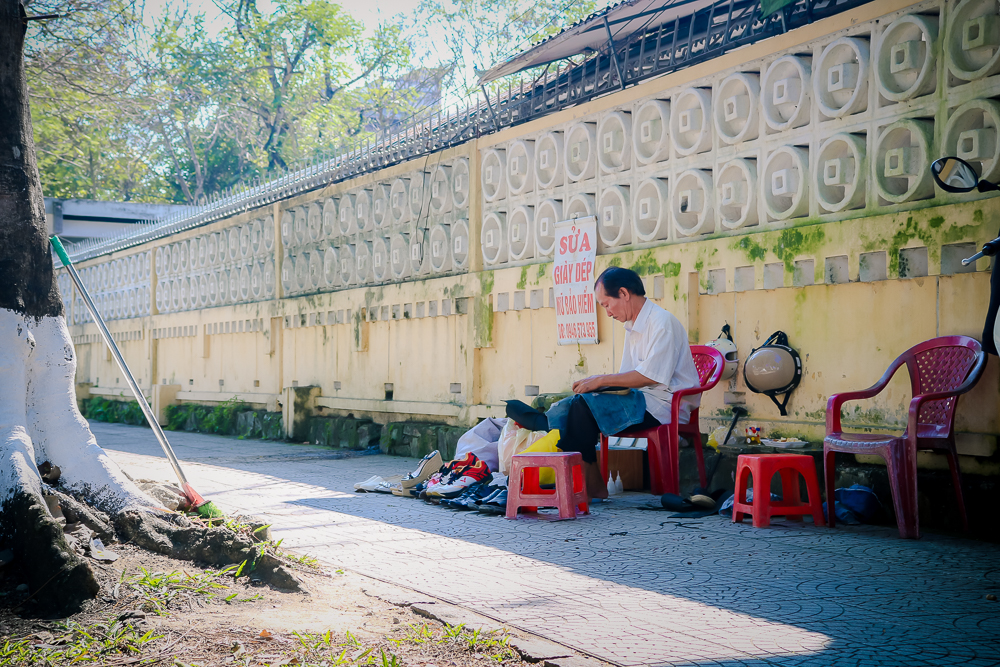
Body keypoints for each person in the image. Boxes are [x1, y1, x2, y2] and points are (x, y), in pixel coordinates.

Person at [557, 266, 701, 500]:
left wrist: (601, 380)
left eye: (606, 304)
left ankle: (589, 487)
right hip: (642, 400)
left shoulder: (662, 322)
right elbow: (628, 378)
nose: (607, 312)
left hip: (665, 407)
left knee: (583, 408)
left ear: (623, 293)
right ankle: (587, 484)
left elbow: (651, 376)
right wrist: (599, 385)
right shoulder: (633, 326)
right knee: (576, 404)